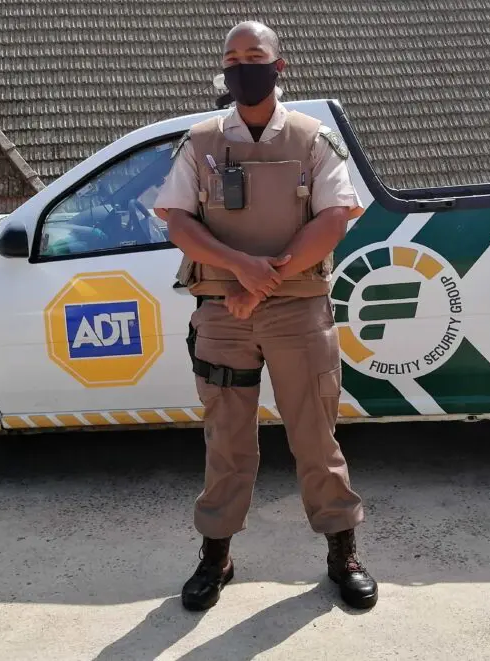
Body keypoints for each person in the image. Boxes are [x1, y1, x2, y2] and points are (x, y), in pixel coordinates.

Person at [152, 20, 378, 611]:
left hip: (297, 307)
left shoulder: (311, 138)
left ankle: (342, 552)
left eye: (254, 55)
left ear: (279, 67)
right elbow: (178, 221)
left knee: (314, 434)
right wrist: (240, 270)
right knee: (226, 439)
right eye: (232, 57)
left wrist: (263, 279)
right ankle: (216, 556)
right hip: (224, 311)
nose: (242, 65)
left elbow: (333, 220)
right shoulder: (200, 141)